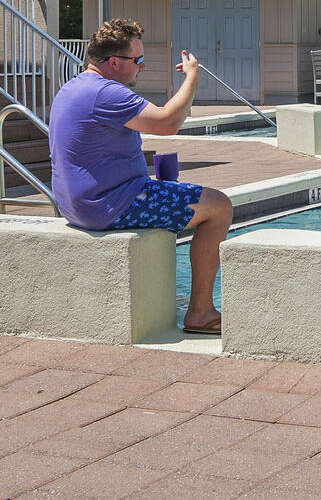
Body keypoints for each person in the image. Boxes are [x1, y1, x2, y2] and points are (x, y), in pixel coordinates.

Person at [48, 18, 233, 334]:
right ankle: (200, 311)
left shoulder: (73, 87)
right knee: (218, 206)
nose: (142, 67)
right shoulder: (106, 93)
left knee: (180, 195)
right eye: (138, 60)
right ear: (114, 62)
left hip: (77, 204)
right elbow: (167, 122)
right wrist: (192, 78)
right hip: (108, 205)